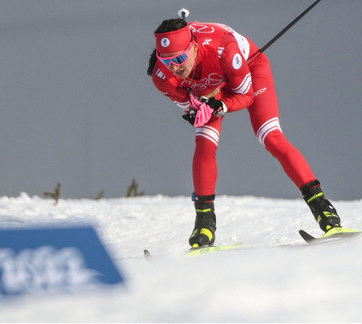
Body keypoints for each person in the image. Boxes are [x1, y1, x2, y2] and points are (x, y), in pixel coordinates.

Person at [147, 14, 342, 248]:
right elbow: (190, 105)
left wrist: (222, 105)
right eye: (167, 61)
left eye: (179, 58)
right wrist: (196, 111)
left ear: (194, 47)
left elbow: (246, 96)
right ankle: (204, 226)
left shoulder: (224, 49)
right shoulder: (162, 76)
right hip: (210, 85)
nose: (175, 67)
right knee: (204, 142)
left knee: (270, 136)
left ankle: (325, 213)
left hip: (247, 69)